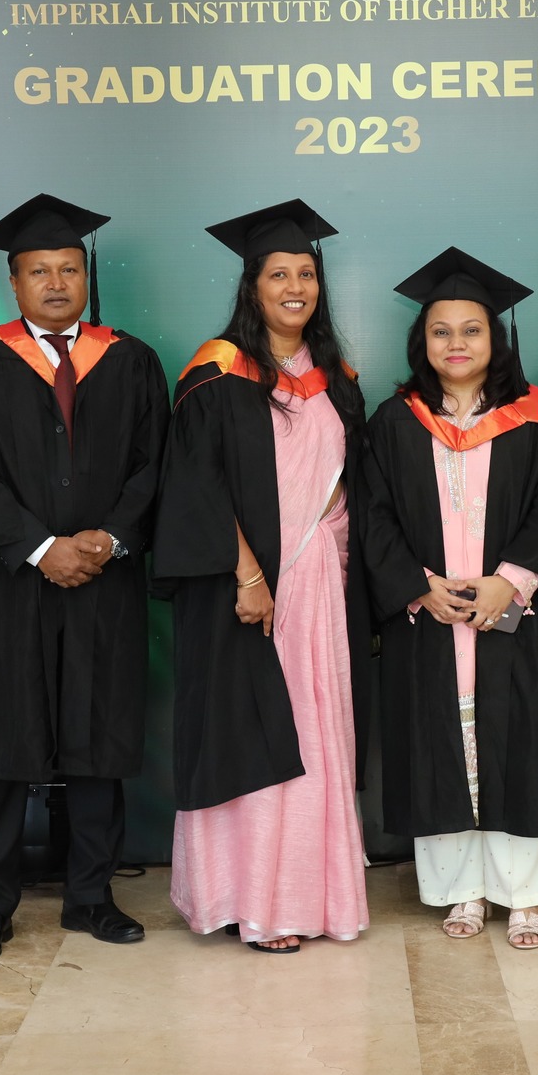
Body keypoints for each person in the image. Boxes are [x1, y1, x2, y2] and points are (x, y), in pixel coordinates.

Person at [0, 194, 169, 962]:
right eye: (40, 271)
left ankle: (91, 895)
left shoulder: (129, 359)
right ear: (14, 280)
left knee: (97, 742)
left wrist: (111, 537)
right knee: (1, 744)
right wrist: (39, 547)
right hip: (10, 586)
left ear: (85, 276)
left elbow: (152, 465)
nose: (57, 282)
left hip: (104, 579)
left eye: (69, 268)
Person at [361, 248, 538, 950]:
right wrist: (416, 586)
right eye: (441, 331)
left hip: (514, 613)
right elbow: (372, 515)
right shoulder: (395, 421)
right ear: (422, 340)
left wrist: (512, 579)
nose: (456, 344)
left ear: (496, 339)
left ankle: (526, 896)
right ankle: (459, 887)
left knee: (523, 744)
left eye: (471, 330)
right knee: (442, 746)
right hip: (430, 616)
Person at [153, 200, 370, 952]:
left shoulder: (337, 379)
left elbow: (352, 486)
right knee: (248, 734)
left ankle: (314, 897)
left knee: (313, 733)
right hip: (246, 590)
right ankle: (251, 901)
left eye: (306, 274)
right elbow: (196, 484)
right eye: (279, 274)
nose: (294, 287)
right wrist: (246, 574)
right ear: (252, 286)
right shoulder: (216, 372)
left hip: (320, 588)